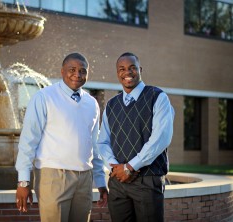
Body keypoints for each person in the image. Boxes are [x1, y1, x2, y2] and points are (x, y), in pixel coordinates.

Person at [15, 52, 108, 222]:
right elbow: (28, 140)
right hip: (53, 176)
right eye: (72, 69)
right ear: (62, 71)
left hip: (84, 179)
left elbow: (94, 145)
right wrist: (23, 181)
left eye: (82, 71)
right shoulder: (44, 97)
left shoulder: (91, 103)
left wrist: (101, 181)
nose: (77, 75)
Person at [97, 52, 174, 222]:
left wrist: (130, 167)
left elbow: (161, 138)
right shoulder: (112, 105)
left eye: (132, 68)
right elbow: (102, 142)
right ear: (118, 73)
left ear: (140, 70)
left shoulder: (157, 97)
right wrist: (116, 168)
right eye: (122, 69)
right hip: (118, 182)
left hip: (147, 180)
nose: (127, 72)